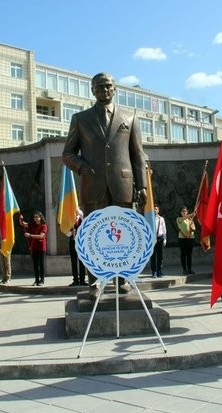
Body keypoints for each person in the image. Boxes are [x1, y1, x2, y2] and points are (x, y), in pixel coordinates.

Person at [62, 72, 147, 296]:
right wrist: (82, 166)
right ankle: (96, 280)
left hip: (123, 186)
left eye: (108, 86)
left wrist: (143, 186)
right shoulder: (80, 119)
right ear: (92, 90)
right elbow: (68, 153)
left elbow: (138, 155)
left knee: (124, 235)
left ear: (115, 88)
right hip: (93, 185)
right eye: (99, 87)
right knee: (93, 234)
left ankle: (122, 280)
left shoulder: (130, 118)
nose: (104, 90)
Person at [19, 211, 48, 286]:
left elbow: (41, 236)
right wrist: (20, 219)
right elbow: (23, 224)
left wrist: (30, 235)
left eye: (37, 217)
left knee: (41, 264)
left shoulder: (43, 226)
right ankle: (36, 280)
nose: (35, 218)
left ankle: (42, 280)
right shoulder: (33, 225)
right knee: (35, 265)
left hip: (41, 248)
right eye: (34, 217)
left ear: (40, 217)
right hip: (34, 247)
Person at [68, 208, 86, 287]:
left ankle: (82, 280)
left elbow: (81, 213)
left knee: (82, 262)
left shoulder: (81, 219)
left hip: (81, 243)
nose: (75, 215)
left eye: (76, 213)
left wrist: (74, 206)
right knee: (74, 261)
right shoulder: (70, 221)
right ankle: (75, 280)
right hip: (72, 241)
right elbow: (67, 233)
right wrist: (71, 232)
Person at [176, 206, 196, 275]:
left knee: (189, 254)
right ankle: (184, 269)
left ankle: (190, 269)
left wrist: (190, 233)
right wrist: (191, 214)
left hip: (190, 238)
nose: (184, 212)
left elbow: (193, 228)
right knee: (183, 254)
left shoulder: (190, 219)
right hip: (182, 238)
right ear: (180, 212)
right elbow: (183, 219)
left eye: (185, 211)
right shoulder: (179, 219)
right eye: (183, 211)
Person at [150, 204, 167, 278]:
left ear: (158, 210)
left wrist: (165, 239)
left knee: (160, 256)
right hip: (152, 239)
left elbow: (164, 230)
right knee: (153, 256)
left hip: (160, 238)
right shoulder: (150, 218)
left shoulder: (161, 219)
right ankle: (154, 271)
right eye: (153, 209)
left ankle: (159, 271)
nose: (155, 210)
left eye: (156, 209)